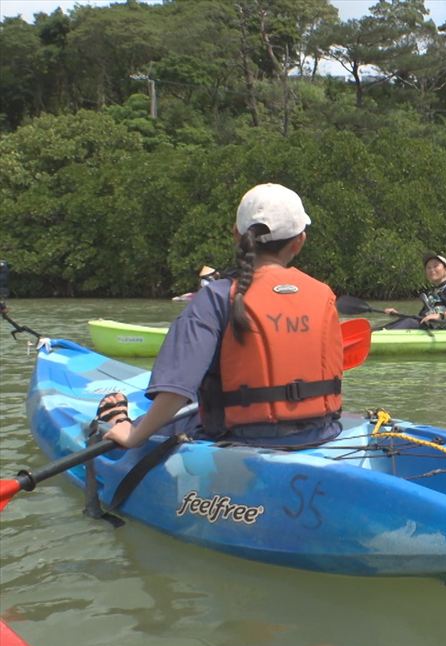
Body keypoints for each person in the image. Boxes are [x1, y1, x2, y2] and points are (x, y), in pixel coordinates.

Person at [100, 183, 344, 449]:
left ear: (236, 235)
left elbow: (175, 392)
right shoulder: (323, 294)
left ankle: (117, 420)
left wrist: (134, 436)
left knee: (174, 414)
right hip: (322, 433)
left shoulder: (216, 297)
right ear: (300, 242)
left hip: (238, 438)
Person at [382, 253, 446, 330]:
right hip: (432, 327)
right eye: (428, 267)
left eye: (436, 266)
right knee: (408, 320)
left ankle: (376, 336)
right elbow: (421, 317)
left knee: (410, 321)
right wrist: (397, 314)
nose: (432, 270)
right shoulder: (433, 293)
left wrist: (440, 316)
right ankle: (374, 333)